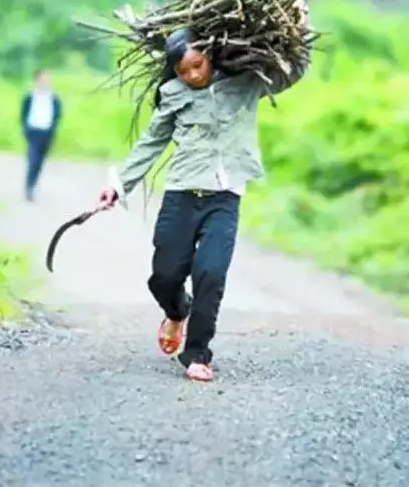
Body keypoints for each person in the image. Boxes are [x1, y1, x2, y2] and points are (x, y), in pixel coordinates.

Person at [97, 27, 310, 382]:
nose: (193, 75)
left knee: (211, 273)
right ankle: (177, 311)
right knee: (164, 276)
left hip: (224, 198)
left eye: (198, 65)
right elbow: (151, 142)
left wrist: (298, 30)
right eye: (184, 71)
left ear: (210, 55)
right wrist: (118, 186)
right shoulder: (172, 94)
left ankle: (197, 352)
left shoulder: (246, 82)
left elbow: (292, 72)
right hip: (181, 194)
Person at [20, 69, 62, 201]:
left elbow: (57, 115)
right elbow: (23, 114)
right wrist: (25, 129)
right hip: (33, 131)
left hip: (47, 133)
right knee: (32, 159)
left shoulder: (54, 98)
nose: (45, 82)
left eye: (47, 79)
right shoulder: (29, 96)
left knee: (40, 162)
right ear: (37, 80)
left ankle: (33, 184)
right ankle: (29, 186)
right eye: (43, 79)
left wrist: (53, 130)